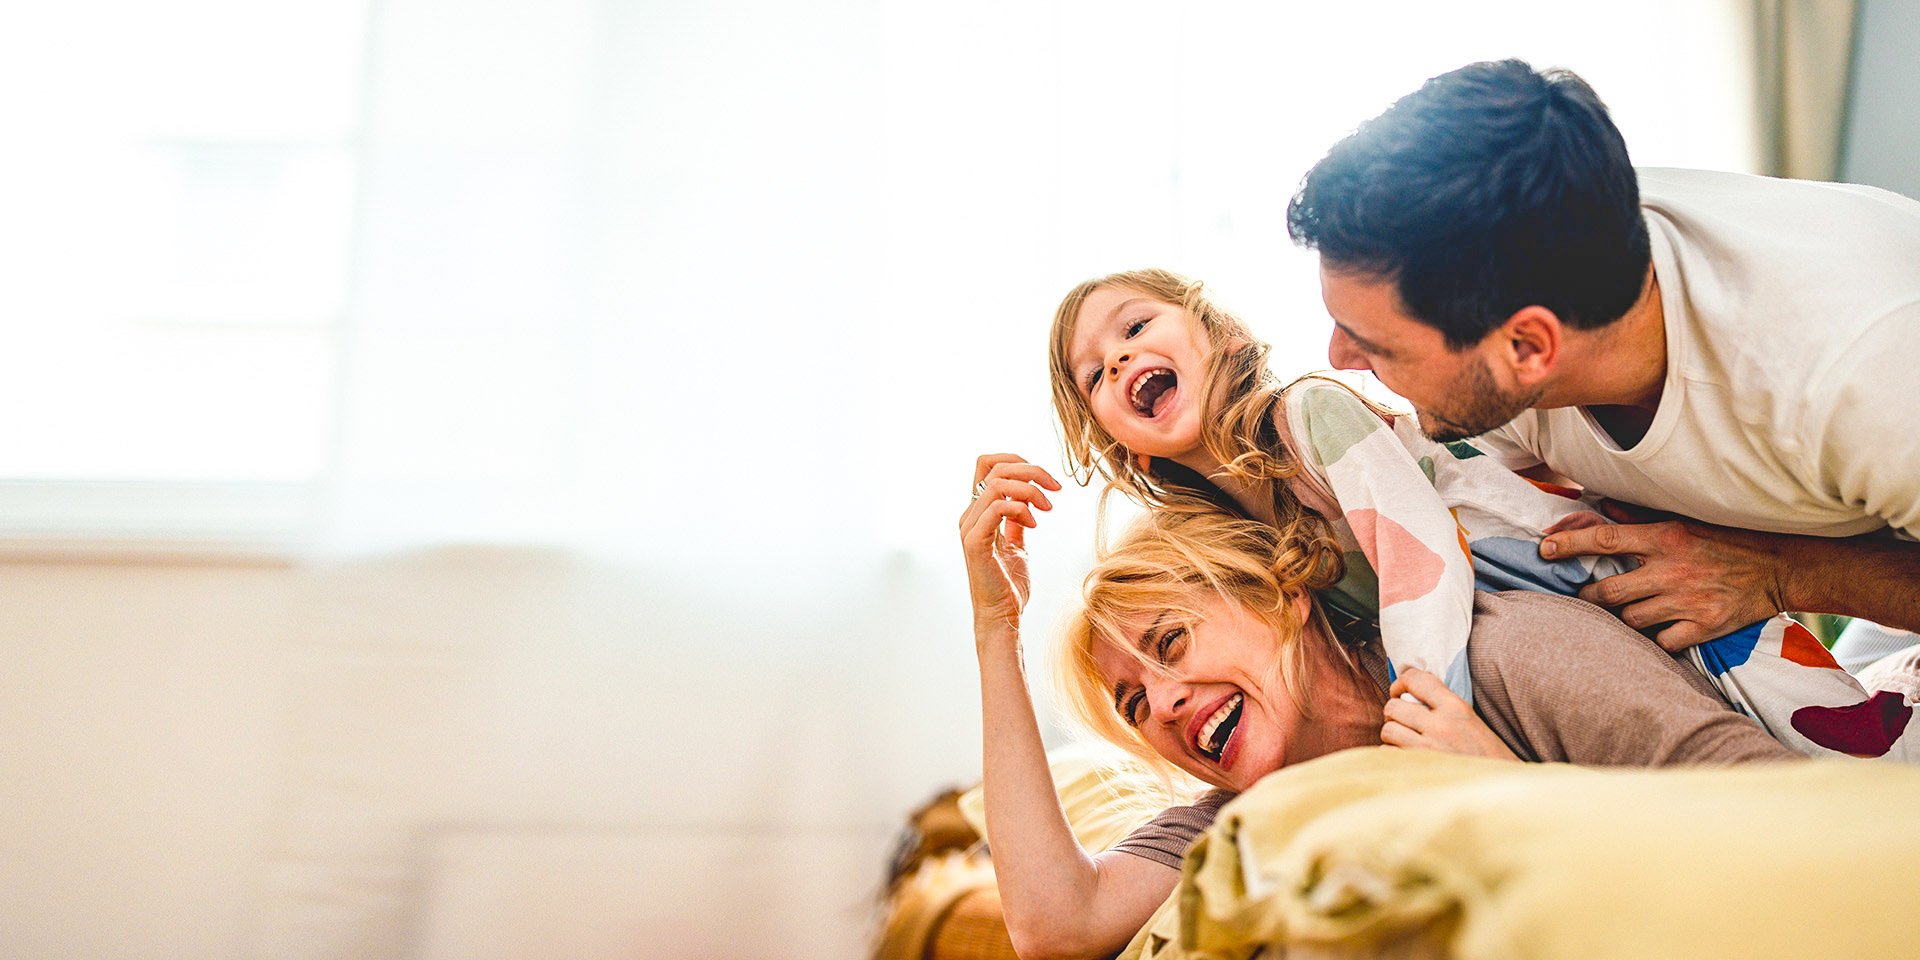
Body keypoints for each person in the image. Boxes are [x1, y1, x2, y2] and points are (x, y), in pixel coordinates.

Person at [1047, 268, 1897, 760]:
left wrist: (1428, 710)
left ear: (1218, 333)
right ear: (1113, 438)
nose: (1119, 357)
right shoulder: (1230, 532)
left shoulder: (1307, 416)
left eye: (1136, 325)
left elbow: (1421, 557)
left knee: (1824, 729)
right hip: (1526, 605)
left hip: (1577, 558)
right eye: (1093, 373)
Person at [957, 471, 1796, 960]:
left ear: (1282, 593)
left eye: (1171, 643)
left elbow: (1785, 809)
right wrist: (996, 632)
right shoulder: (1234, 827)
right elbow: (1053, 923)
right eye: (1134, 703)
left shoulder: (1507, 658)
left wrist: (1512, 795)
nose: (1165, 705)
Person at [1285, 59, 1920, 678]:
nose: (1338, 359)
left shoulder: (1861, 372)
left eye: (1376, 344)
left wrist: (1781, 570)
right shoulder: (1534, 250)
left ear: (1529, 349)